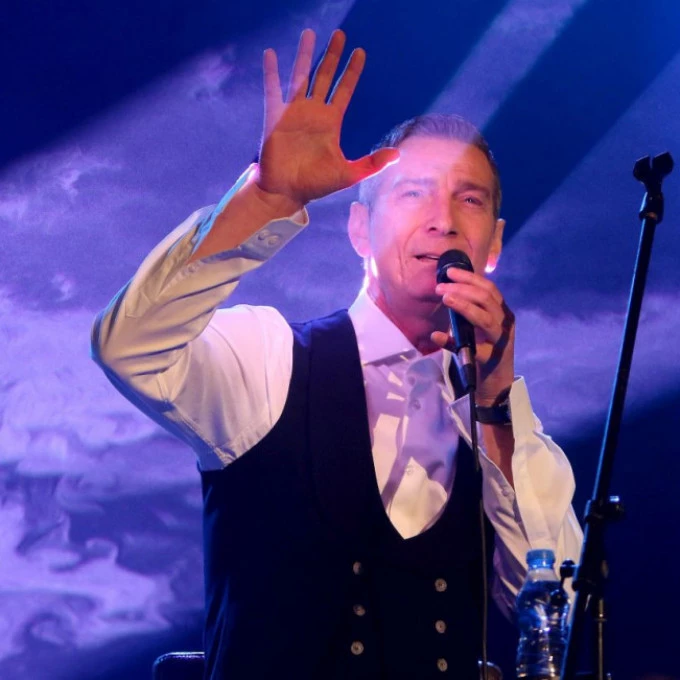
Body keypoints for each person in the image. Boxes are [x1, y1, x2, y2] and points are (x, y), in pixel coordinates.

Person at [92, 29, 583, 679]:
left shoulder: (504, 427)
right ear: (359, 229)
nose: (442, 219)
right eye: (413, 192)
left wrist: (494, 406)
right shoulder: (270, 360)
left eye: (468, 199)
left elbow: (555, 612)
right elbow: (128, 347)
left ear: (492, 244)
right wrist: (266, 199)